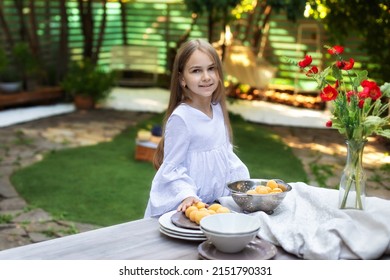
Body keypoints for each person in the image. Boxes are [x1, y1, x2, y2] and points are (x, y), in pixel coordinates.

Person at [144, 39, 250, 218]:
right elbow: (172, 168)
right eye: (196, 71)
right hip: (187, 208)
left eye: (211, 68)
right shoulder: (182, 118)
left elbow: (225, 155)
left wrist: (242, 186)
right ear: (182, 79)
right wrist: (187, 195)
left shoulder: (217, 109)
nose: (206, 77)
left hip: (214, 205)